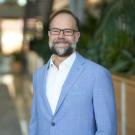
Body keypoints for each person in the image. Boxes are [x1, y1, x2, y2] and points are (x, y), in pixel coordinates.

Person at [29, 9, 117, 135]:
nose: (60, 36)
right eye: (55, 30)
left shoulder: (98, 75)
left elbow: (107, 130)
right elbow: (35, 124)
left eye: (67, 31)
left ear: (77, 36)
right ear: (49, 35)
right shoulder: (38, 75)